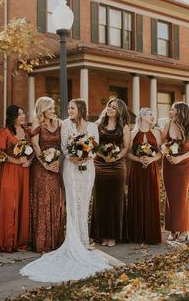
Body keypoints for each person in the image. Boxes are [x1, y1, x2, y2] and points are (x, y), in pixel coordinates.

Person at [20, 98, 111, 282]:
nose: (68, 111)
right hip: (70, 169)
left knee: (84, 204)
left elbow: (95, 147)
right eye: (68, 108)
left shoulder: (92, 126)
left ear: (81, 110)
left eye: (72, 108)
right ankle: (73, 241)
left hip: (87, 170)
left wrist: (86, 156)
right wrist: (73, 157)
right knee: (71, 204)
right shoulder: (65, 125)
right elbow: (63, 147)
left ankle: (84, 242)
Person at [90, 98, 130, 247]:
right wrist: (103, 156)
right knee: (100, 199)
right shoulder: (98, 125)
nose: (110, 109)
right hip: (100, 165)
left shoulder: (124, 127)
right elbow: (92, 144)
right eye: (109, 106)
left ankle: (113, 235)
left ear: (119, 111)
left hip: (117, 167)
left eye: (114, 107)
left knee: (115, 200)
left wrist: (114, 157)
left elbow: (126, 147)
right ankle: (100, 235)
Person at [29, 96, 65, 253]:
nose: (53, 111)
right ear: (42, 109)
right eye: (50, 108)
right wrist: (45, 164)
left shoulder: (59, 123)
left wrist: (58, 160)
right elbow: (35, 145)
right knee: (43, 201)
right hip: (41, 168)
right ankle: (42, 242)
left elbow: (65, 144)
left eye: (53, 108)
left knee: (55, 200)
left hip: (56, 166)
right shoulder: (37, 123)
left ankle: (56, 241)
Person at [162, 101, 189, 242]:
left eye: (172, 109)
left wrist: (180, 159)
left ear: (180, 111)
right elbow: (162, 143)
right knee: (170, 196)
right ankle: (173, 229)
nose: (170, 111)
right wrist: (167, 154)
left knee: (181, 196)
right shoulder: (168, 124)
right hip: (168, 165)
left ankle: (184, 229)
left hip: (183, 166)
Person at [0, 105, 33, 252]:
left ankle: (21, 241)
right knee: (10, 204)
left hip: (25, 171)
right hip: (10, 171)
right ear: (12, 117)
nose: (23, 116)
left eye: (23, 113)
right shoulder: (4, 132)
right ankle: (8, 242)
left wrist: (29, 162)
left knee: (22, 203)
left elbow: (34, 151)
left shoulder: (28, 132)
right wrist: (15, 160)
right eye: (19, 114)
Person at [127, 108, 162, 244]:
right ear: (142, 116)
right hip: (137, 169)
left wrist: (152, 160)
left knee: (151, 197)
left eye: (153, 115)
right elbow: (128, 153)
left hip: (151, 169)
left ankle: (152, 235)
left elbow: (160, 152)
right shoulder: (132, 133)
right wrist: (138, 159)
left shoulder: (157, 133)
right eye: (150, 114)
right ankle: (137, 235)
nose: (153, 117)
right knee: (138, 197)